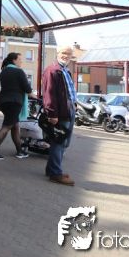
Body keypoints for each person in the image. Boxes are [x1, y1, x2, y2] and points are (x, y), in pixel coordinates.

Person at [42, 45, 77, 186]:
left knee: (63, 142)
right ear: (57, 53)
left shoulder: (65, 70)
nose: (66, 56)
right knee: (59, 142)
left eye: (69, 54)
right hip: (60, 112)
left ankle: (52, 169)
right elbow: (49, 93)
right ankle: (55, 173)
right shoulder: (52, 70)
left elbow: (69, 92)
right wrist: (52, 113)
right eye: (63, 53)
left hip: (69, 109)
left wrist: (74, 105)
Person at [0, 52, 34, 160]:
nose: (21, 61)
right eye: (20, 59)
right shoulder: (19, 71)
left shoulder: (4, 71)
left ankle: (19, 151)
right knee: (6, 126)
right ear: (14, 60)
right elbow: (27, 88)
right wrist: (33, 95)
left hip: (3, 101)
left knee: (15, 126)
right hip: (14, 102)